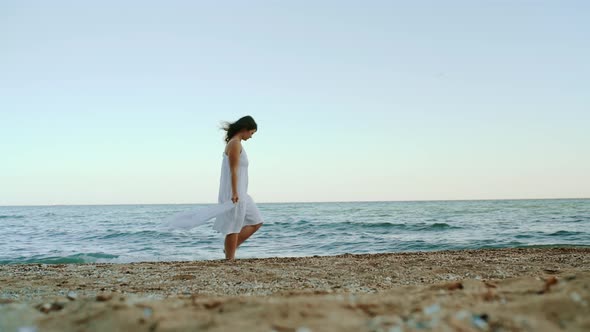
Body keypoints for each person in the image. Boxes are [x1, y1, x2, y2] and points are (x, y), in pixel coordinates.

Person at [213, 115, 263, 260]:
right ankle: (230, 259)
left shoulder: (237, 144)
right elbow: (233, 170)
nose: (251, 137)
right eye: (251, 133)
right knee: (233, 227)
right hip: (235, 192)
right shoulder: (235, 144)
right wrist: (235, 192)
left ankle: (229, 250)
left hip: (241, 192)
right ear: (244, 129)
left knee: (256, 221)